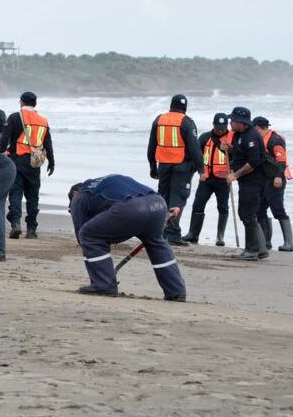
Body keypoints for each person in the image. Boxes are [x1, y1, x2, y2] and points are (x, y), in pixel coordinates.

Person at [68, 175, 187, 301]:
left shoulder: (80, 196)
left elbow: (83, 237)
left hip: (130, 208)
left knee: (88, 235)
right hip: (158, 204)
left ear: (74, 193)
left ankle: (104, 285)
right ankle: (176, 291)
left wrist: (101, 267)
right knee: (155, 242)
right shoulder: (103, 185)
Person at [147, 94, 204, 246]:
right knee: (178, 199)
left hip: (163, 165)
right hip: (182, 166)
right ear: (185, 108)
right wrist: (201, 169)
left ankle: (161, 231)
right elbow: (194, 148)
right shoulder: (187, 122)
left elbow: (151, 145)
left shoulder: (159, 119)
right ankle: (173, 234)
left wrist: (152, 166)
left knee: (164, 198)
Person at [4, 91, 55, 239]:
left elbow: (4, 140)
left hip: (17, 160)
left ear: (21, 102)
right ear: (35, 103)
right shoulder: (43, 120)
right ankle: (31, 229)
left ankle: (15, 224)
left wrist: (0, 153)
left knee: (15, 193)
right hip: (35, 163)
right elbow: (47, 143)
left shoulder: (15, 117)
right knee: (33, 196)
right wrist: (51, 162)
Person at [183, 113, 232, 246]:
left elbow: (238, 158)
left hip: (223, 180)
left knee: (223, 207)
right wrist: (195, 173)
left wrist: (230, 152)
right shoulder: (205, 137)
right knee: (198, 204)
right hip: (206, 178)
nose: (220, 130)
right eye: (218, 127)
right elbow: (196, 157)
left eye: (222, 128)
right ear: (213, 125)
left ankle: (220, 236)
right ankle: (193, 234)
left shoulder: (232, 138)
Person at [226, 107, 268, 261]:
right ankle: (260, 249)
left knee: (247, 214)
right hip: (246, 182)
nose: (230, 122)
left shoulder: (251, 137)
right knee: (245, 213)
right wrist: (229, 149)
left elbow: (253, 162)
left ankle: (252, 250)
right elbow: (239, 154)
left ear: (241, 122)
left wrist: (235, 175)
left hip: (254, 182)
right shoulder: (238, 135)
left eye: (233, 120)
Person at [254, 117, 293, 252]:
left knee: (278, 210)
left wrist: (278, 176)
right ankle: (266, 242)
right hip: (264, 180)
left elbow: (281, 160)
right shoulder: (262, 139)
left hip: (276, 180)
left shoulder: (275, 140)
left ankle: (289, 243)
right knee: (260, 210)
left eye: (255, 129)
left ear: (259, 127)